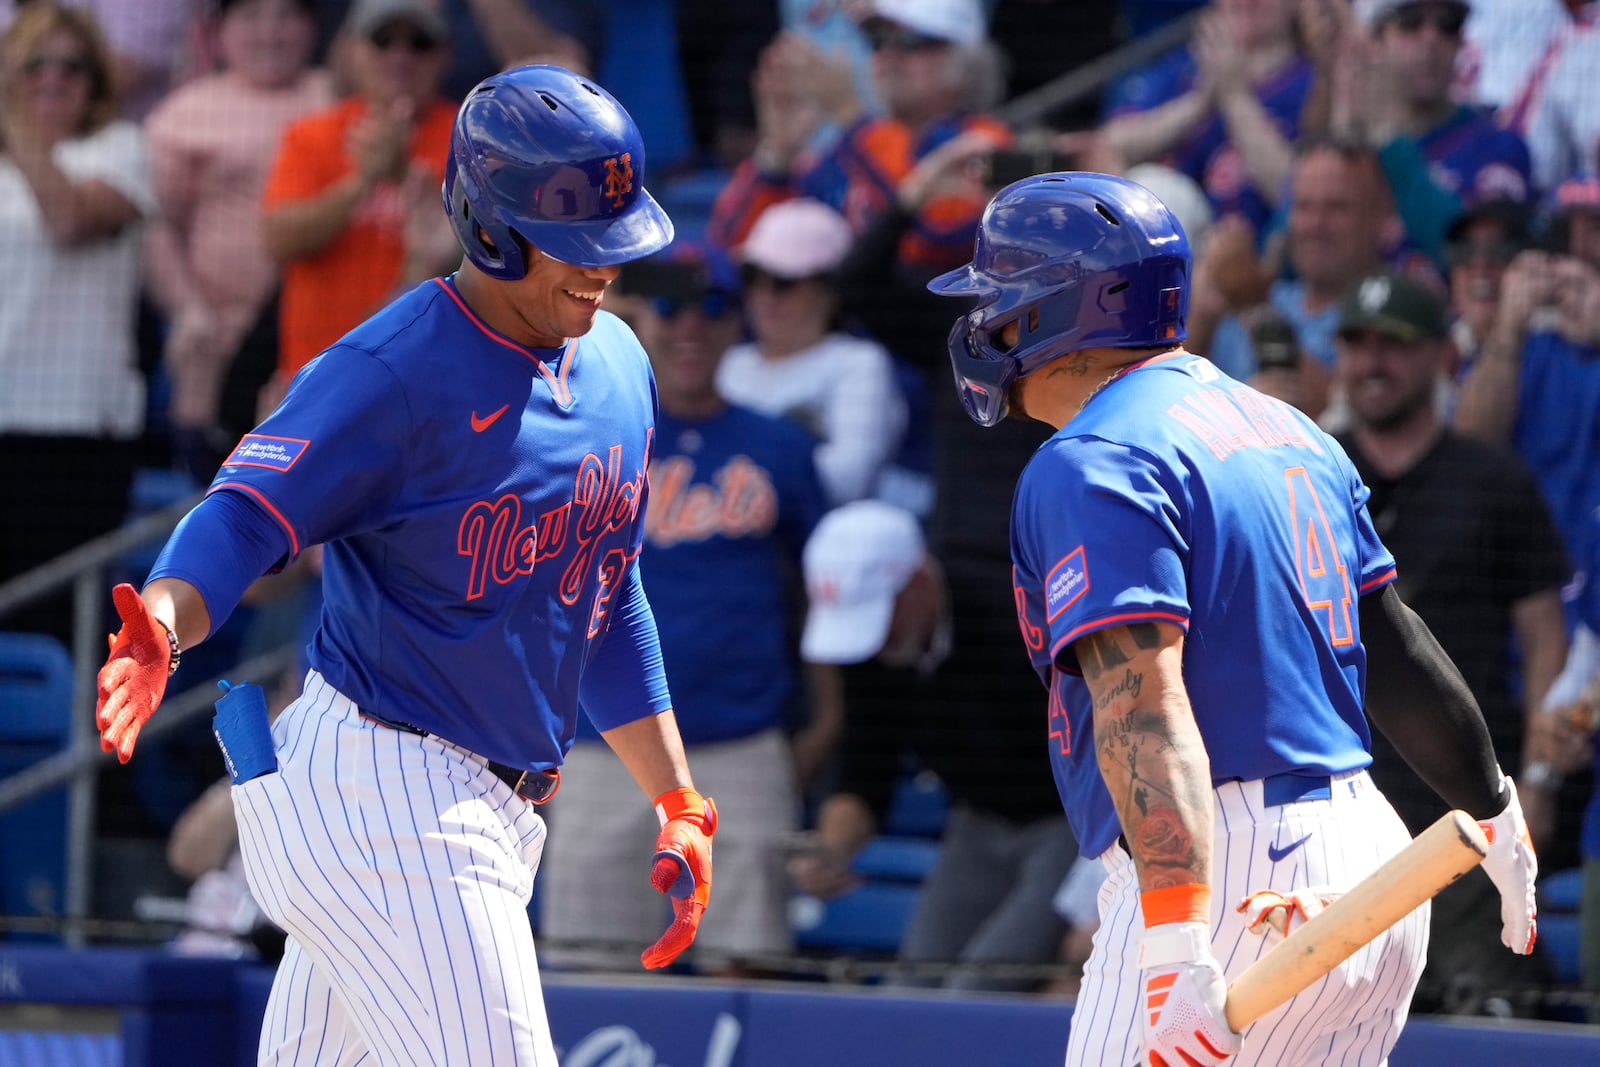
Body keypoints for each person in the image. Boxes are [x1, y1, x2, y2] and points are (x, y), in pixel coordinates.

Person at [93, 64, 718, 1064]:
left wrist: (677, 795)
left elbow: (604, 595)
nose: (603, 267)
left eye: (615, 240)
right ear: (489, 225)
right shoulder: (391, 370)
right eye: (573, 244)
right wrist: (167, 612)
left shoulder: (619, 364)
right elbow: (246, 512)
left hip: (484, 811)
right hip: (384, 793)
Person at [927, 171, 1537, 1064]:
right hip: (1372, 856)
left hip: (1228, 880)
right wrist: (1494, 810)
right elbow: (1397, 649)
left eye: (1004, 298)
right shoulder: (1284, 424)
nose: (988, 321)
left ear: (1063, 310)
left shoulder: (1091, 457)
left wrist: (1175, 940)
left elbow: (1144, 701)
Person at [540, 239, 827, 975]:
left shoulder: (779, 448)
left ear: (738, 322)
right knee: (588, 977)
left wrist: (825, 725)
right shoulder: (587, 435)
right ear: (636, 316)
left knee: (748, 970)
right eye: (667, 307)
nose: (689, 327)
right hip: (603, 750)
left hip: (740, 746)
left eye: (711, 307)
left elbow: (819, 595)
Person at [1331, 269, 1569, 1015]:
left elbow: (1544, 640)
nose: (1374, 362)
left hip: (1467, 812)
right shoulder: (1308, 471)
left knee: (1490, 1012)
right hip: (1338, 819)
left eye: (1395, 345)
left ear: (1442, 357)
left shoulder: (1492, 480)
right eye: (1358, 343)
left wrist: (1536, 777)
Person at [791, 500, 1079, 993]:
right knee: (909, 988)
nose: (875, 642)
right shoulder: (872, 652)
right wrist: (830, 851)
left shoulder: (1016, 615)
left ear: (920, 581)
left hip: (1069, 824)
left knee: (981, 991)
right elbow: (867, 760)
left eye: (879, 616)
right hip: (976, 819)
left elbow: (1098, 739)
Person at [0, 2, 156, 643]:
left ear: (96, 80)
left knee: (63, 627)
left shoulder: (119, 148)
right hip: (5, 416)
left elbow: (68, 221)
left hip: (81, 428)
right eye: (36, 64)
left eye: (72, 65)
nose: (54, 78)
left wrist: (14, 114)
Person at [143, 0, 333, 481]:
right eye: (250, 17)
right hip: (220, 336)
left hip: (320, 337)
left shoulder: (333, 97)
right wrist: (188, 309)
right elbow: (154, 225)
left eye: (286, 16)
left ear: (311, 29)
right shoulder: (185, 113)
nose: (269, 33)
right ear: (219, 32)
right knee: (224, 479)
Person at [708, 0, 1008, 275]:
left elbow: (935, 238)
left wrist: (851, 118)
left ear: (965, 59)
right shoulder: (857, 148)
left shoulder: (986, 141)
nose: (888, 55)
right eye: (877, 40)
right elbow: (733, 259)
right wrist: (777, 159)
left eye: (910, 41)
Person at [261, 0, 461, 402]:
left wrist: (401, 172)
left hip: (430, 386)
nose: (399, 56)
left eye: (418, 43)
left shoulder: (469, 136)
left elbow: (478, 255)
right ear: (353, 51)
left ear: (445, 56)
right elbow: (280, 240)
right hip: (317, 381)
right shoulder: (312, 136)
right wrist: (363, 181)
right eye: (382, 40)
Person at [715, 198, 909, 507]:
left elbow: (848, 481)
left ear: (830, 289)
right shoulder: (728, 362)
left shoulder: (859, 362)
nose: (765, 297)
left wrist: (726, 479)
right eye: (752, 277)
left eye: (784, 282)